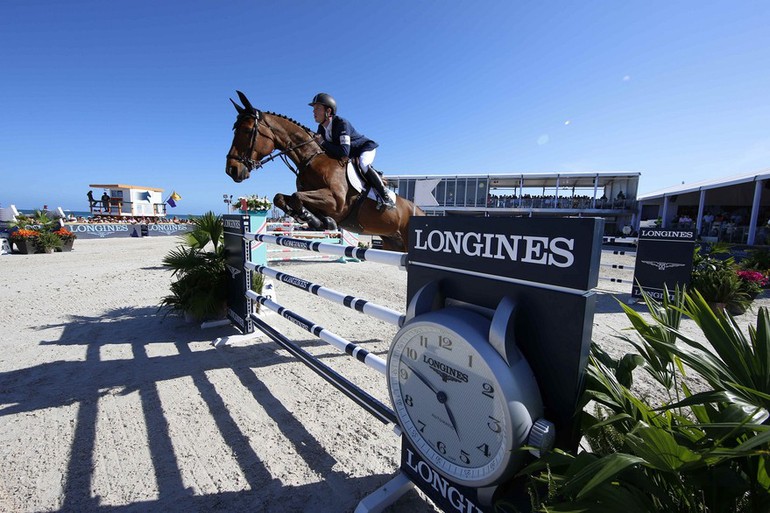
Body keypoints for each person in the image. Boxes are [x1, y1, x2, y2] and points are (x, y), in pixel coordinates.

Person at [308, 92, 395, 210]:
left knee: (364, 164)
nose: (314, 112)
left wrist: (323, 142)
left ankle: (386, 197)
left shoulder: (341, 123)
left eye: (317, 108)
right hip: (351, 154)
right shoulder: (321, 128)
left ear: (328, 111)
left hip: (364, 148)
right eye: (314, 109)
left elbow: (343, 152)